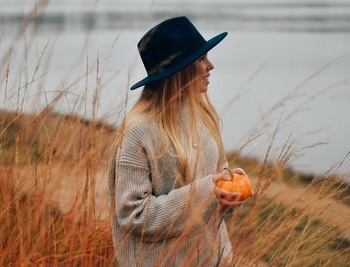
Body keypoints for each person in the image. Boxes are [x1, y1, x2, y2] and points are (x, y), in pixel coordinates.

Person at [108, 16, 252, 267]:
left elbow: (216, 182)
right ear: (180, 69)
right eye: (201, 59)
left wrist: (229, 189)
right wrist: (210, 192)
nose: (211, 65)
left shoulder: (205, 117)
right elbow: (134, 217)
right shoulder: (138, 132)